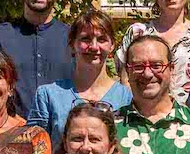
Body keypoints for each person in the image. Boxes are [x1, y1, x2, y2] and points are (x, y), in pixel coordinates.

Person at [27, 8, 133, 140]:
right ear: (72, 44)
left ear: (112, 45)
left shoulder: (126, 97)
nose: (94, 47)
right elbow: (33, 150)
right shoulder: (48, 96)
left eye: (101, 39)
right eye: (86, 39)